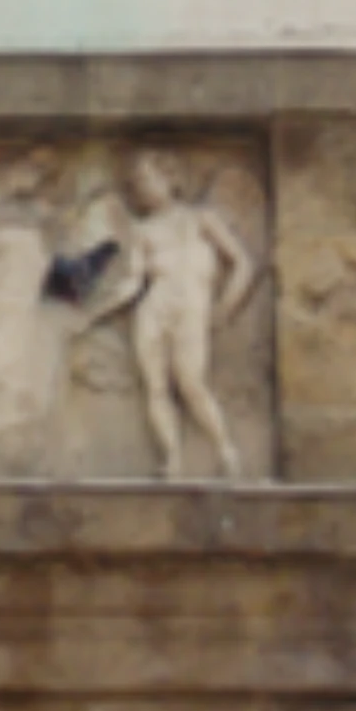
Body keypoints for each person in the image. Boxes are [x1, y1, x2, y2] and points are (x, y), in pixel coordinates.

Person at [109, 151, 259, 478]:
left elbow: (242, 264)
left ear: (170, 178)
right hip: (154, 308)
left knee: (191, 381)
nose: (144, 189)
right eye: (138, 184)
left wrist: (227, 306)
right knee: (156, 387)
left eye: (149, 179)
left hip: (193, 305)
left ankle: (225, 449)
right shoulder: (142, 231)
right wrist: (96, 310)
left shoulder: (201, 219)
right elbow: (133, 283)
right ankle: (172, 459)